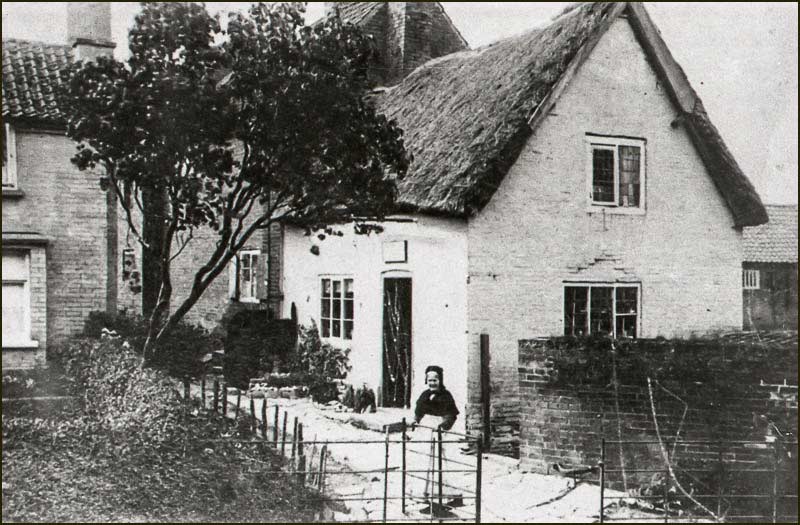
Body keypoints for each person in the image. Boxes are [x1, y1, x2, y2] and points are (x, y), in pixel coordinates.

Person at [407, 365, 462, 516]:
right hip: (424, 430)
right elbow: (419, 411)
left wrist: (443, 426)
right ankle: (424, 494)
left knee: (437, 462)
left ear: (440, 380)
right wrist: (415, 420)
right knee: (423, 462)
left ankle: (439, 499)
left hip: (437, 431)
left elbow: (451, 415)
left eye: (435, 380)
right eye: (430, 380)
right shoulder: (424, 394)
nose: (432, 383)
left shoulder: (446, 396)